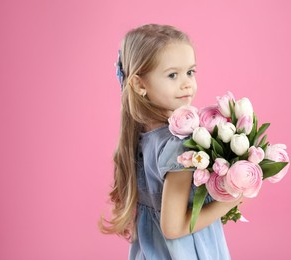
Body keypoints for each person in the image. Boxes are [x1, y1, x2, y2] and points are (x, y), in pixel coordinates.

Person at [99, 24, 242, 259]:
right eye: (172, 75)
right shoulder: (180, 145)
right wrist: (228, 202)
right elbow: (173, 228)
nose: (186, 83)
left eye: (190, 72)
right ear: (139, 85)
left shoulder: (140, 134)